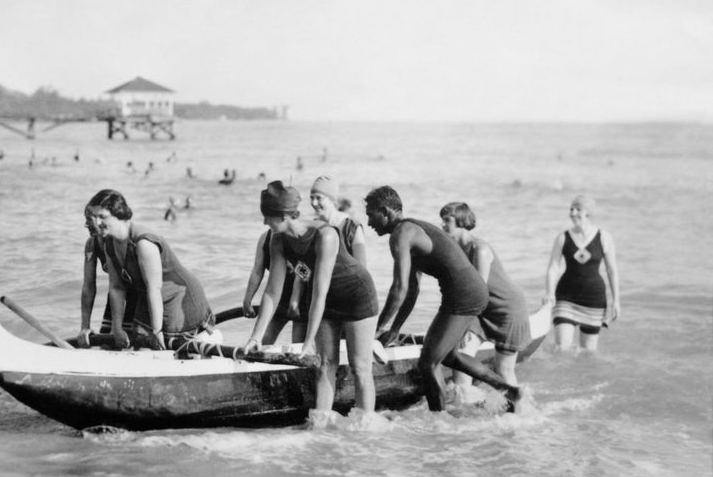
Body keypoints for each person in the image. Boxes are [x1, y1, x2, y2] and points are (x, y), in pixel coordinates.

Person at [364, 185, 522, 412]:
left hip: (464, 295)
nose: (369, 222)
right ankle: (511, 391)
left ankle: (439, 421)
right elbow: (411, 290)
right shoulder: (409, 230)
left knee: (428, 362)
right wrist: (395, 328)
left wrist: (375, 331)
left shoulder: (401, 234)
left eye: (371, 215)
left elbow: (398, 289)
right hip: (468, 292)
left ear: (385, 211)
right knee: (447, 356)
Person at [244, 182, 379, 425]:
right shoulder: (277, 239)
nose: (265, 224)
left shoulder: (325, 234)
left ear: (288, 215)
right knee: (325, 363)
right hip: (327, 300)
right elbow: (272, 291)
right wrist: (256, 337)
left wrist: (308, 340)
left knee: (360, 367)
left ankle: (365, 434)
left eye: (269, 218)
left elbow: (319, 292)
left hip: (355, 295)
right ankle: (320, 432)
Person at [86, 189, 214, 350]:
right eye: (95, 217)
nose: (96, 223)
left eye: (102, 217)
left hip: (180, 300)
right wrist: (117, 329)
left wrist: (157, 330)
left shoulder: (144, 243)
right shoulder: (109, 243)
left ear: (120, 215)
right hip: (152, 301)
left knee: (161, 346)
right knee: (134, 343)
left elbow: (154, 289)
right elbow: (117, 288)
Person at [440, 201, 531, 387]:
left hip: (507, 309)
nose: (442, 225)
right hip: (482, 310)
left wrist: (463, 325)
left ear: (462, 221)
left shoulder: (479, 249)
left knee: (503, 369)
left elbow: (478, 293)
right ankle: (464, 405)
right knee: (461, 357)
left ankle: (520, 411)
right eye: (442, 220)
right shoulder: (457, 250)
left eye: (447, 220)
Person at [543, 194, 620, 351]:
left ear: (588, 213)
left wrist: (616, 301)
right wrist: (549, 292)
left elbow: (612, 270)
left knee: (588, 352)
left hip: (594, 301)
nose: (573, 213)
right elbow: (553, 267)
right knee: (561, 348)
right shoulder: (562, 237)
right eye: (571, 209)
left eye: (578, 209)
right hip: (565, 298)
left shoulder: (604, 237)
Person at [79, 203, 134, 346]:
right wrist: (85, 327)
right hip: (116, 296)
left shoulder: (120, 239)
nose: (86, 225)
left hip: (138, 295)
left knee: (130, 340)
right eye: (86, 220)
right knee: (106, 343)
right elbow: (88, 287)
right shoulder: (92, 245)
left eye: (89, 219)